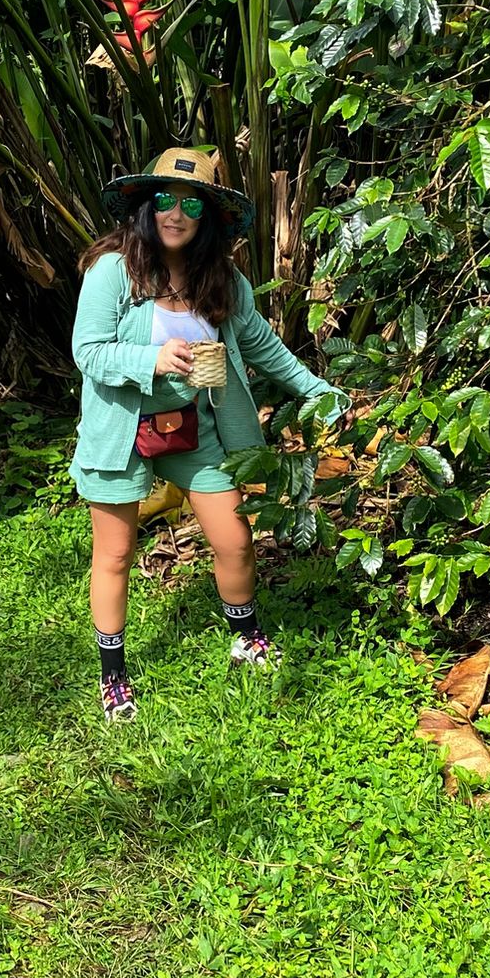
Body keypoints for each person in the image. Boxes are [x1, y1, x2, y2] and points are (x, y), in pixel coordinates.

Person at [71, 146, 353, 723]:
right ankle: (114, 676)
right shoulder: (113, 271)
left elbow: (262, 347)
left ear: (206, 218)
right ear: (147, 207)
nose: (176, 213)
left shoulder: (221, 279)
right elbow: (88, 351)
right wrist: (154, 358)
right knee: (117, 552)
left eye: (190, 204)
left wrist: (316, 391)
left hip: (195, 429)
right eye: (165, 200)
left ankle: (246, 638)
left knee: (235, 539)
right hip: (123, 429)